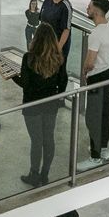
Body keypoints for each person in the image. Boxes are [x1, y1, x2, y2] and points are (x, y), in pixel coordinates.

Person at [12, 23, 63, 188]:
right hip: (50, 104)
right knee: (49, 139)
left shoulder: (29, 58)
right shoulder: (59, 58)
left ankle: (34, 174)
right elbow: (63, 82)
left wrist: (13, 76)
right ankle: (45, 174)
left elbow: (25, 85)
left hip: (32, 105)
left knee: (36, 141)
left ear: (36, 38)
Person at [77, 0, 109, 171]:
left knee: (93, 118)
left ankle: (95, 158)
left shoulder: (96, 34)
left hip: (98, 78)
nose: (87, 8)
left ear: (96, 11)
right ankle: (103, 149)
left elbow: (90, 62)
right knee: (104, 114)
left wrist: (85, 72)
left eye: (89, 7)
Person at [39, 0, 72, 94]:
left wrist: (58, 47)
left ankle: (61, 96)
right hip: (45, 43)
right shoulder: (47, 2)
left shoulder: (65, 6)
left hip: (59, 45)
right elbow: (42, 22)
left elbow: (66, 29)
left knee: (60, 70)